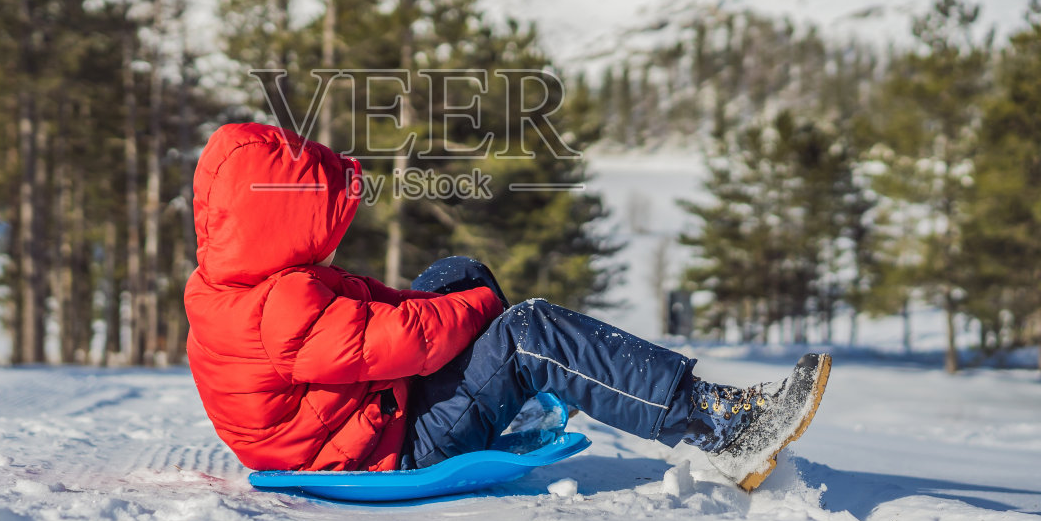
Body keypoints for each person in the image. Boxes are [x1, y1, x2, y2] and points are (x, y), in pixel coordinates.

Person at [183, 122, 830, 491]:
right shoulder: (283, 301)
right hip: (392, 448)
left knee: (452, 273)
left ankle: (523, 381)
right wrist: (483, 306)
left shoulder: (231, 285)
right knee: (528, 328)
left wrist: (458, 294)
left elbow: (379, 314)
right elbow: (409, 339)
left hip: (368, 420)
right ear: (280, 216)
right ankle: (718, 428)